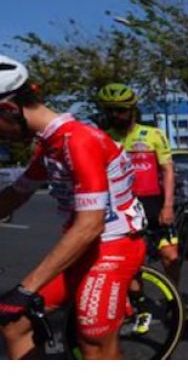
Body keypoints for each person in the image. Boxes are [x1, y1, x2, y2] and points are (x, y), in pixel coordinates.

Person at [0, 55, 145, 359]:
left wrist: (26, 289)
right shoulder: (50, 143)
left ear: (9, 109)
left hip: (112, 247)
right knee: (15, 325)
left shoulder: (79, 141)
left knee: (93, 342)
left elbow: (90, 225)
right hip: (82, 248)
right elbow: (18, 192)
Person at [96, 83, 179, 333]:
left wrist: (168, 205)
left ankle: (174, 303)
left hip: (153, 203)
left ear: (132, 110)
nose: (115, 115)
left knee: (171, 257)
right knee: (133, 263)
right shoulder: (103, 137)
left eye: (120, 110)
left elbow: (167, 170)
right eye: (110, 110)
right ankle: (141, 307)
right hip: (122, 207)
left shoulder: (153, 134)